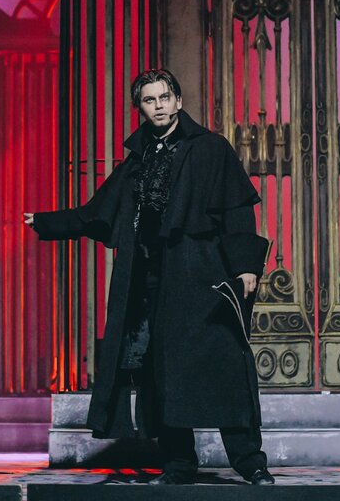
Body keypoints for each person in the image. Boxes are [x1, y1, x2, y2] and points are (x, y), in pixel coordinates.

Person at [24, 68, 274, 485]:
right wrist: (47, 222)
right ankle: (179, 464)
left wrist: (245, 266)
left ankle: (250, 462)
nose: (158, 106)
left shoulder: (210, 148)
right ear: (140, 108)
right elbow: (97, 213)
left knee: (225, 368)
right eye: (149, 100)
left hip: (203, 274)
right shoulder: (137, 161)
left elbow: (236, 208)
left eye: (164, 98)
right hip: (153, 282)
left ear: (178, 101)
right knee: (163, 373)